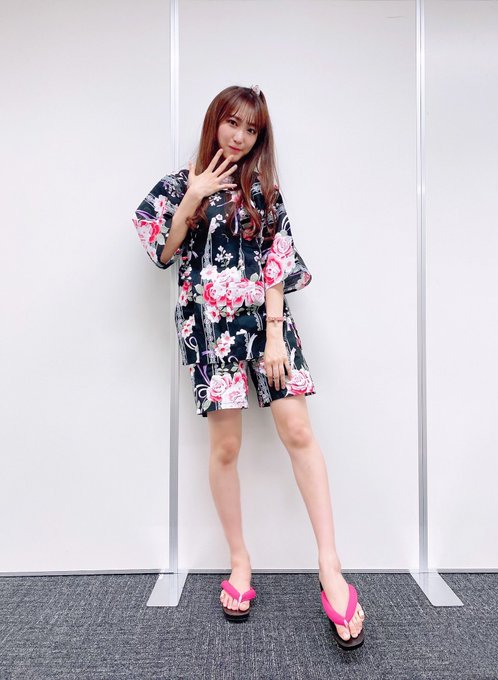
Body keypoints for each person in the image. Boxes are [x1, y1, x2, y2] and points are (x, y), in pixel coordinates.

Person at [132, 85, 365, 649]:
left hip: (266, 329)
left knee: (298, 430)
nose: (239, 136)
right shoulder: (176, 185)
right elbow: (162, 252)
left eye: (251, 129)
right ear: (215, 121)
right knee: (226, 448)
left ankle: (330, 566)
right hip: (209, 331)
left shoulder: (264, 189)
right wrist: (193, 197)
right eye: (231, 123)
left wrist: (276, 335)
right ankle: (239, 560)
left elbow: (277, 261)